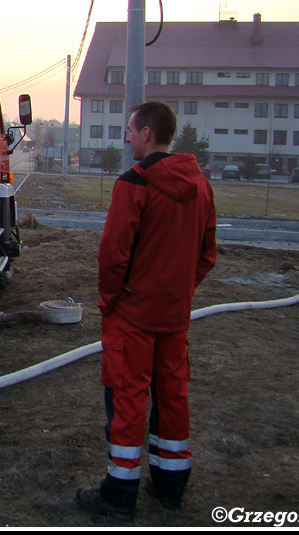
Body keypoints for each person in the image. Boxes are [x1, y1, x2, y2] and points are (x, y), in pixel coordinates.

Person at [76, 101, 217, 520]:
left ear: (149, 134)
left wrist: (110, 300)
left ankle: (119, 495)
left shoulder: (133, 184)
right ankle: (171, 485)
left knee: (127, 399)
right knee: (173, 396)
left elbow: (113, 253)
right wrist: (178, 292)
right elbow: (207, 253)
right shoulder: (201, 184)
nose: (126, 137)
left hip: (133, 316)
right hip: (174, 317)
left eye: (131, 130)